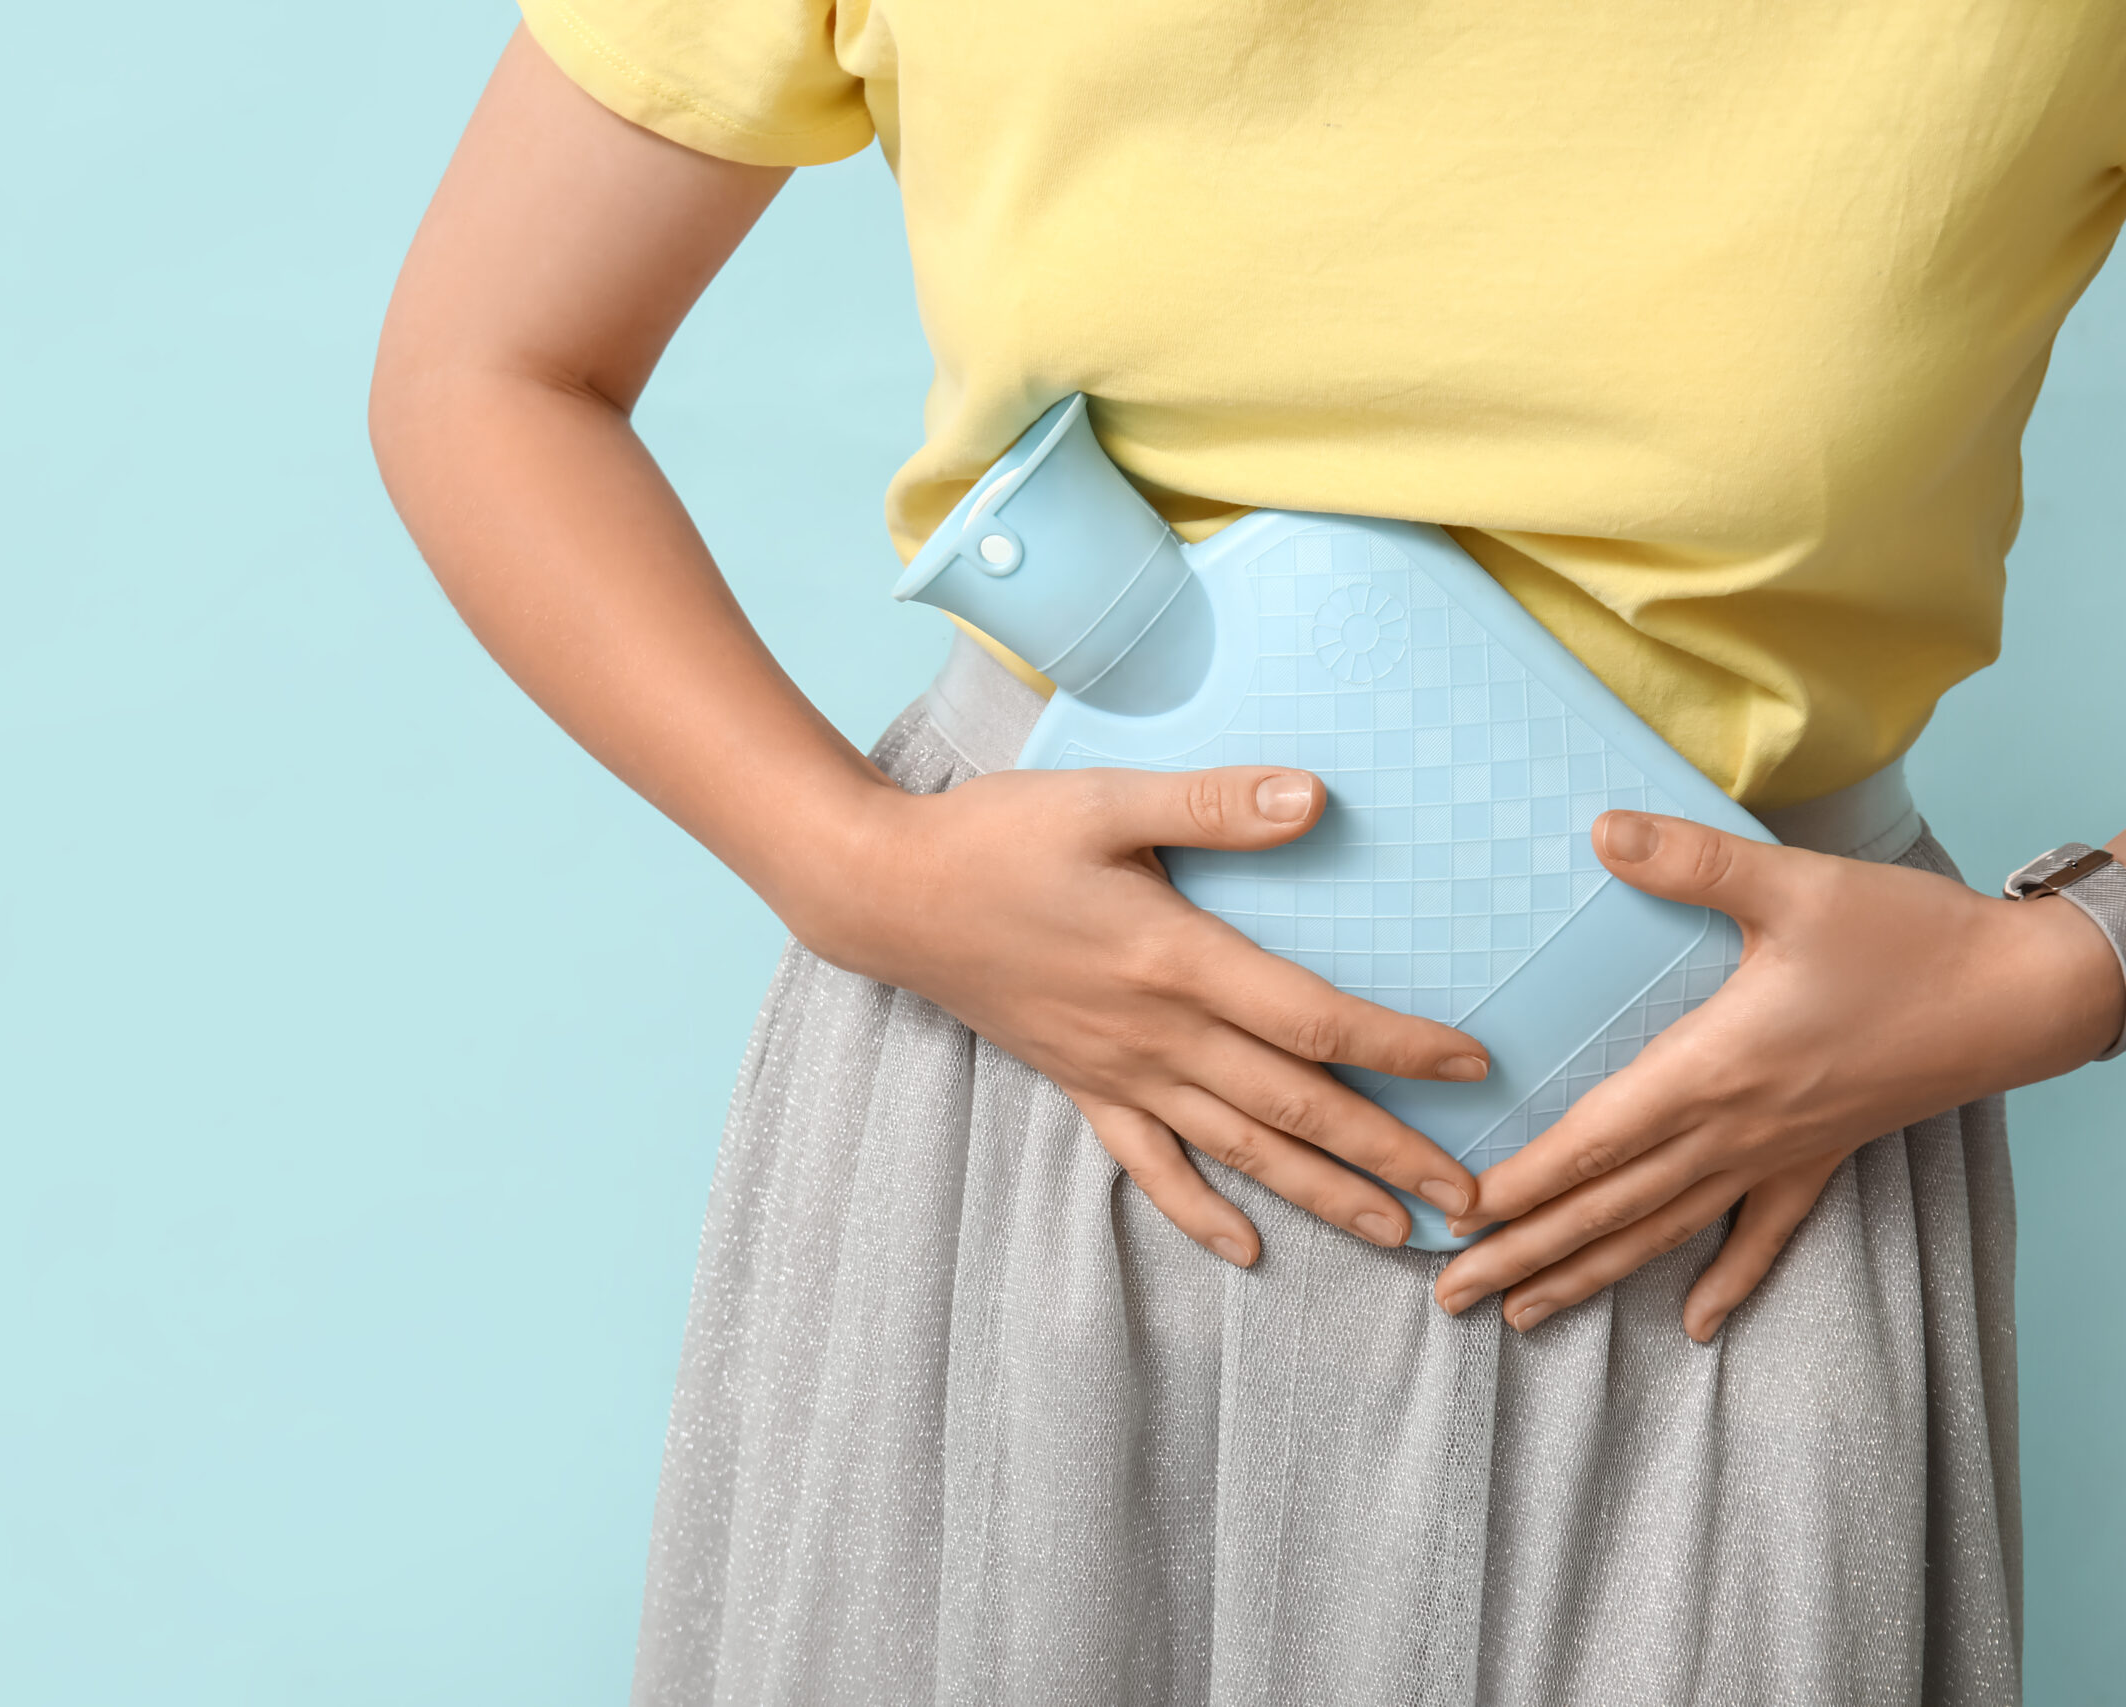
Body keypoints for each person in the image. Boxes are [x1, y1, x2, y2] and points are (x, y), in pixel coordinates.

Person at [370, 7, 2126, 1701]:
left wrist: (2068, 962)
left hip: (1723, 1167)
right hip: (1035, 1103)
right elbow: (488, 366)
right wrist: (854, 869)